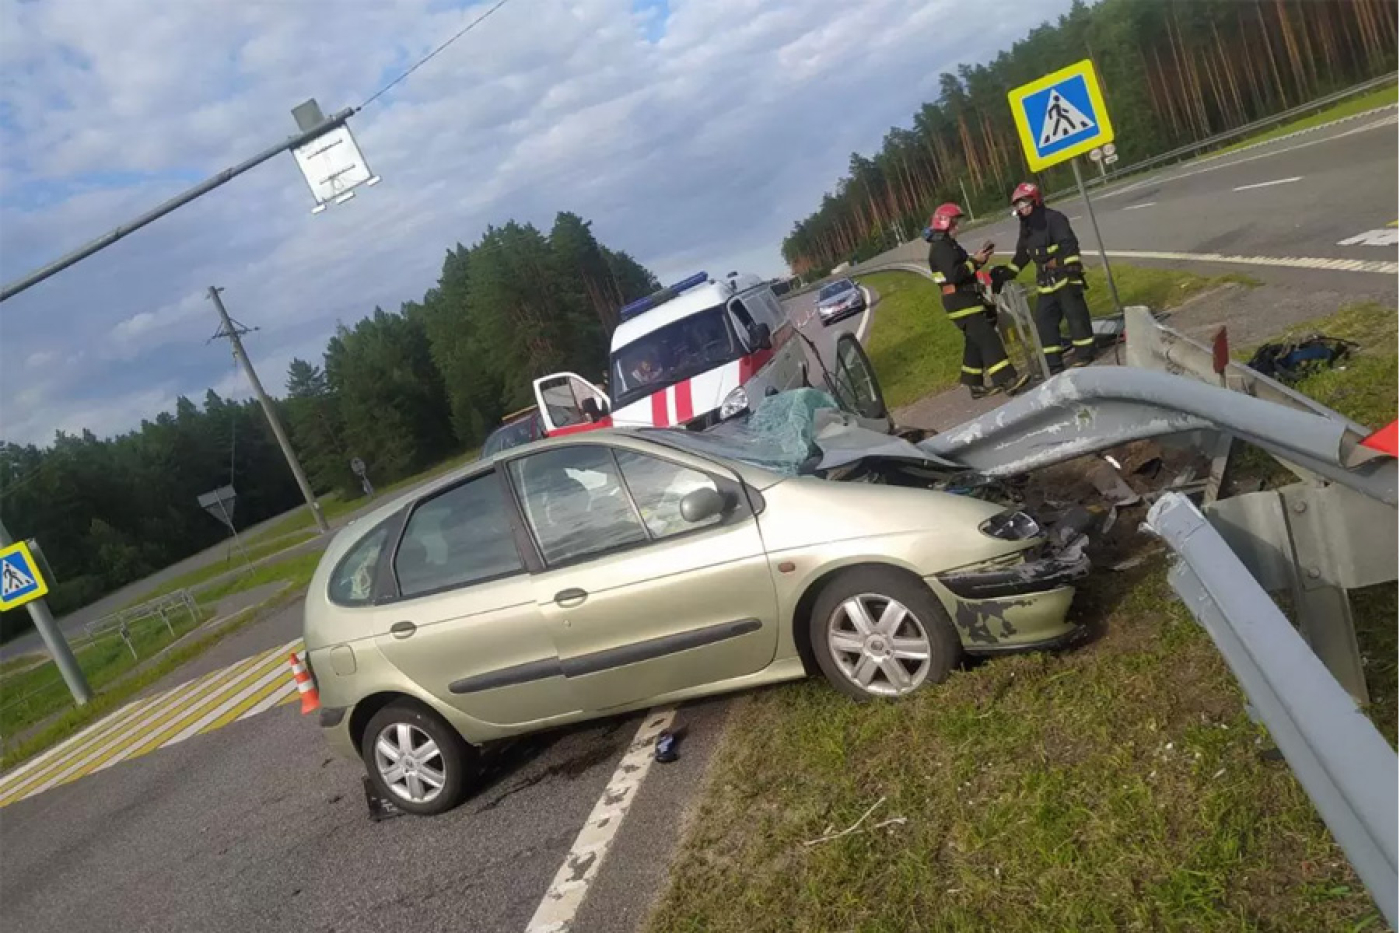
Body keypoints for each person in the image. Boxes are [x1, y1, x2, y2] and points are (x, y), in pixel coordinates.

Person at [925, 202, 1029, 399]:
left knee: (974, 341)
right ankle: (1007, 380)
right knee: (988, 339)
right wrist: (975, 262)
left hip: (965, 299)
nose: (958, 227)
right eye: (955, 223)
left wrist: (978, 260)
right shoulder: (941, 248)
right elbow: (955, 275)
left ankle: (974, 383)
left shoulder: (948, 245)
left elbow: (963, 269)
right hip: (961, 303)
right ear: (945, 223)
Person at [991, 182, 1097, 373]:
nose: (1022, 209)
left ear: (1036, 201)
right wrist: (1006, 274)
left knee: (1076, 316)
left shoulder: (1054, 219)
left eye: (1025, 204)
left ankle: (1085, 354)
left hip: (1065, 276)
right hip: (1045, 282)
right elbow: (1022, 255)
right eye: (1019, 206)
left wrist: (1064, 265)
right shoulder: (1027, 228)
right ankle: (1053, 365)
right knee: (1044, 322)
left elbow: (1069, 246)